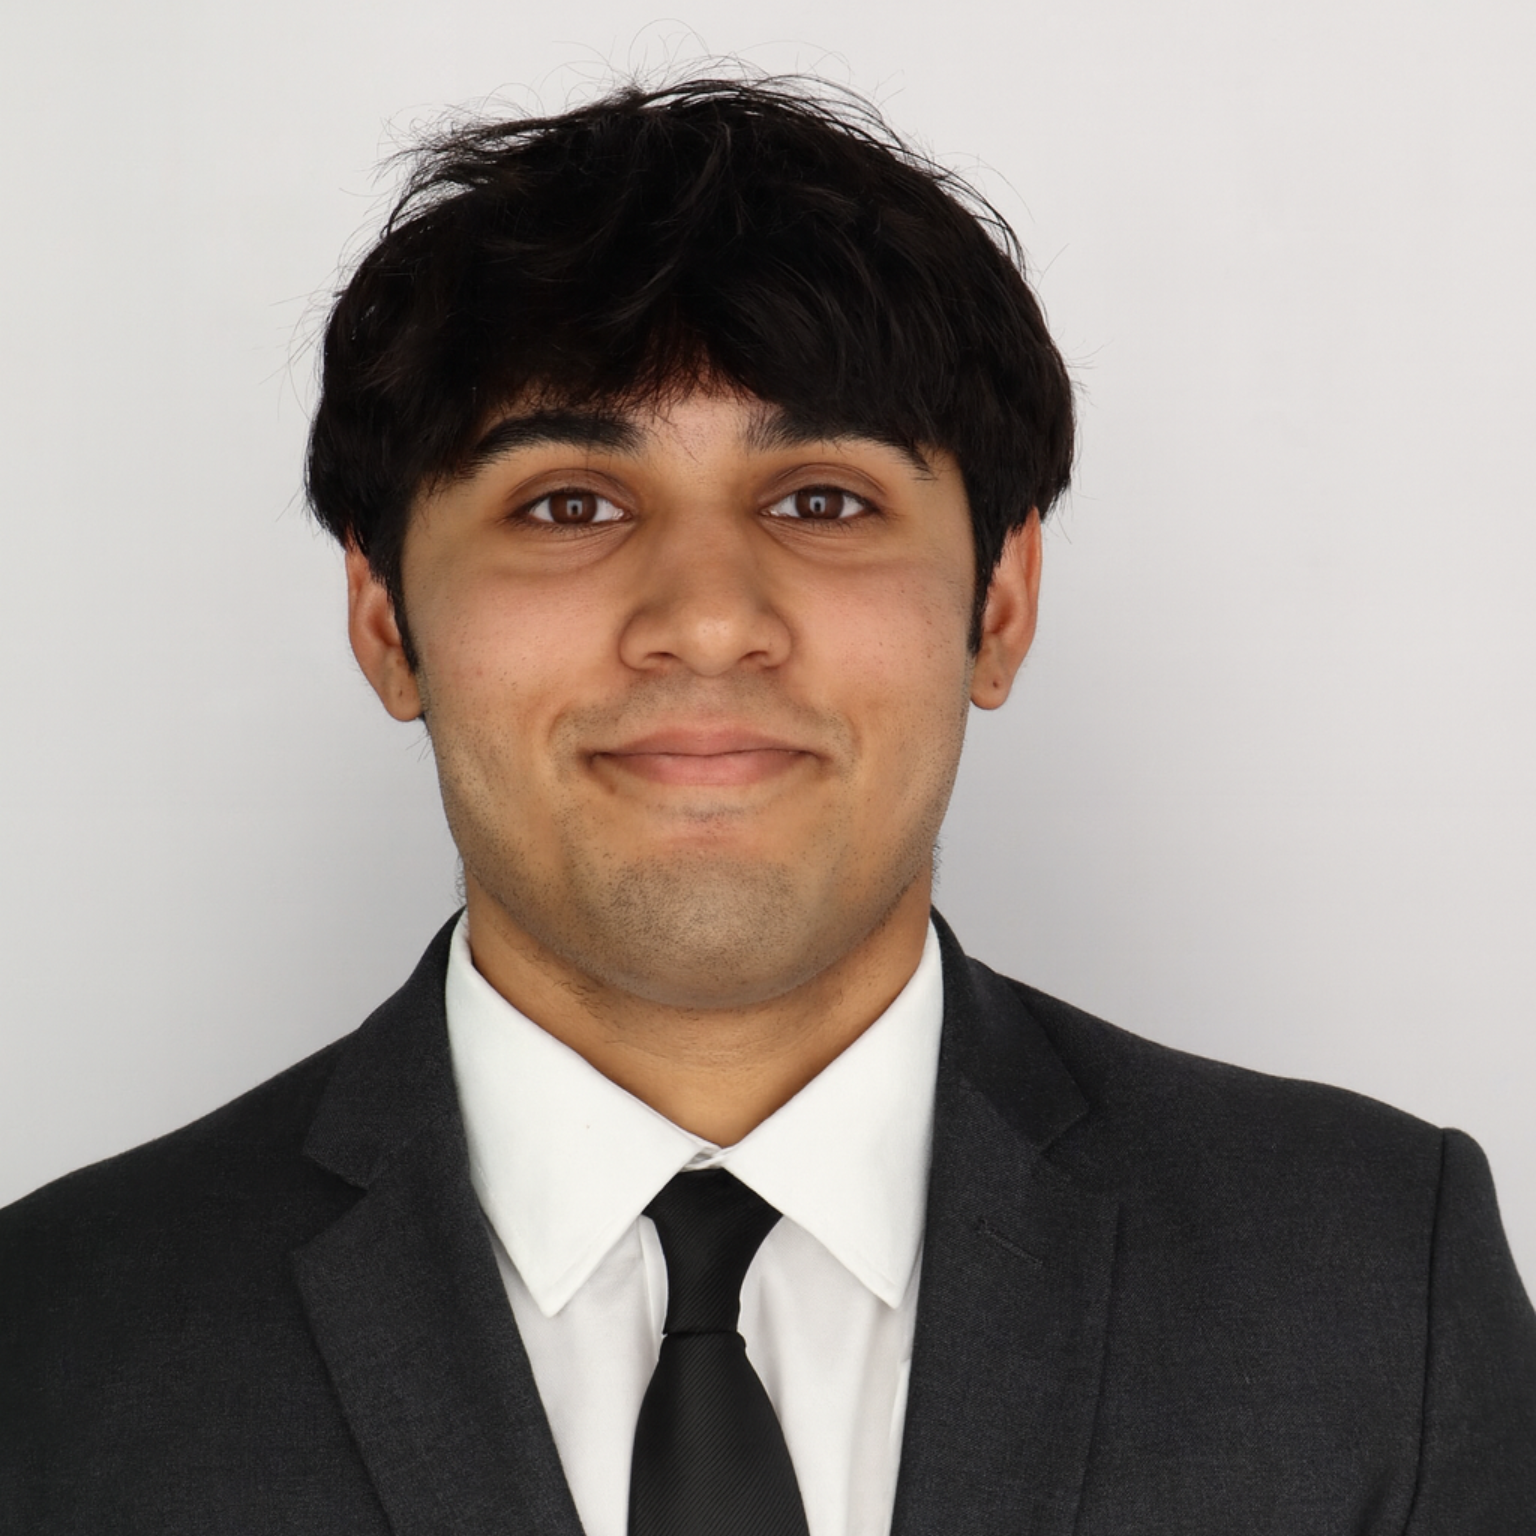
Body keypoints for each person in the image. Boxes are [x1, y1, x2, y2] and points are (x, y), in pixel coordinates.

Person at [2, 75, 1533, 1535]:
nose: (710, 618)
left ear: (997, 605)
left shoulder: (1371, 1282)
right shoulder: (58, 1334)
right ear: (388, 623)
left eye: (822, 500)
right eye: (568, 505)